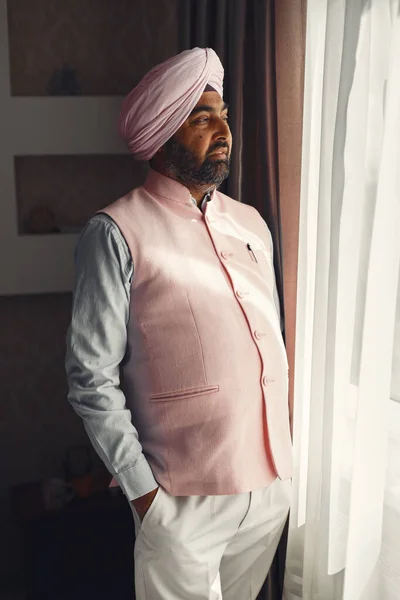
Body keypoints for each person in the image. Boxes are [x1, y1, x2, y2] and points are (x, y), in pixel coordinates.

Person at [65, 47, 293, 600]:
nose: (224, 130)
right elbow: (90, 378)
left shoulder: (251, 223)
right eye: (202, 117)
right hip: (181, 501)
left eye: (225, 116)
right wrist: (146, 497)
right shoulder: (116, 230)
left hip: (268, 491)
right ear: (164, 133)